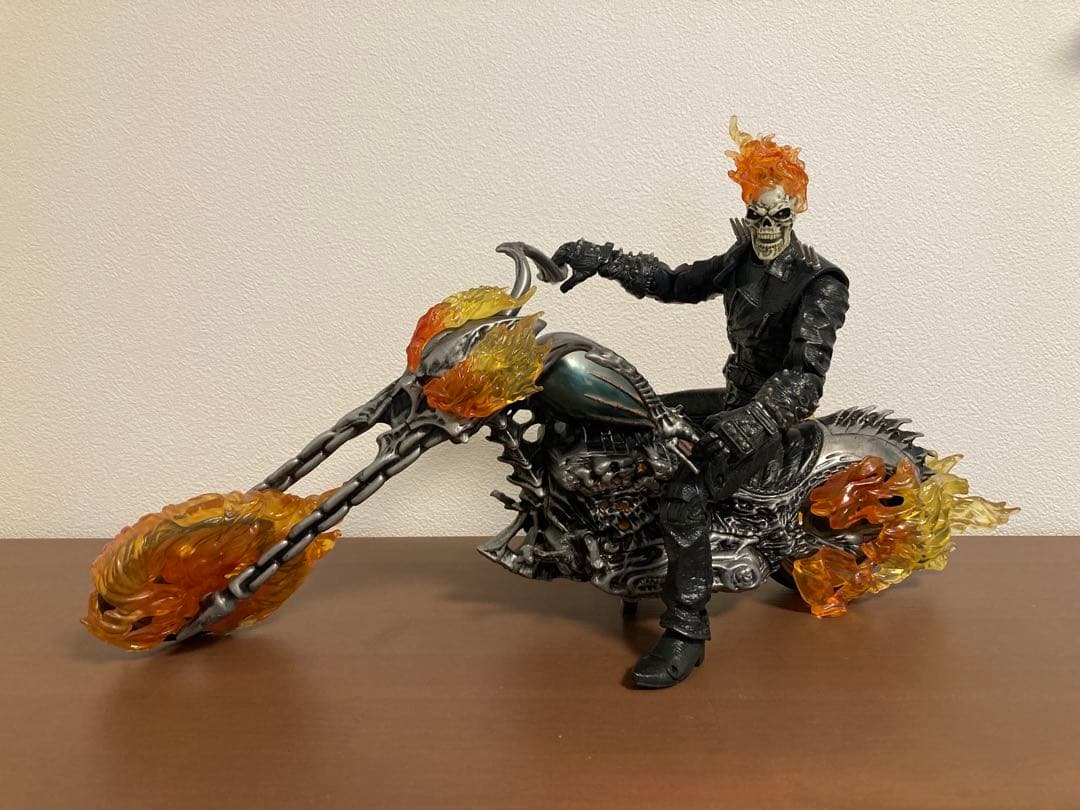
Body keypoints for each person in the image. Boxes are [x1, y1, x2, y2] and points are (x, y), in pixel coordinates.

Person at [551, 117, 850, 688]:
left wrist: (752, 420)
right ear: (746, 212)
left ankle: (686, 629)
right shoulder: (740, 259)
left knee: (686, 489)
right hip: (734, 398)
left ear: (797, 210)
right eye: (758, 216)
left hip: (770, 418)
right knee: (637, 421)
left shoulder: (820, 282)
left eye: (779, 216)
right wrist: (603, 259)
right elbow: (676, 283)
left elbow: (806, 377)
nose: (767, 228)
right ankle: (635, 558)